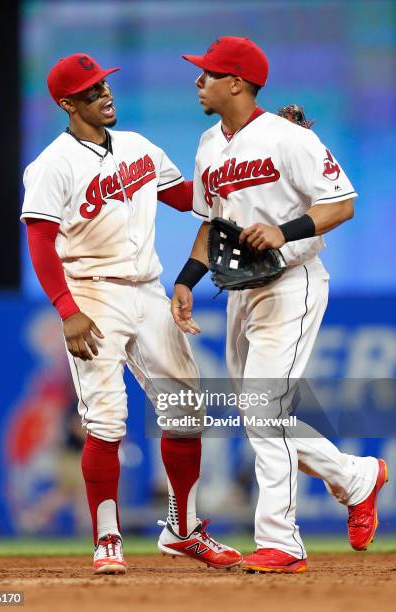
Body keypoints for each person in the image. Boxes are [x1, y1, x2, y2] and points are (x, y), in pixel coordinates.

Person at [171, 36, 387, 574]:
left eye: (208, 74)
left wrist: (284, 230)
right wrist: (186, 279)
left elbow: (343, 204)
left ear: (237, 83)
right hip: (239, 293)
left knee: (264, 410)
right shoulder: (207, 144)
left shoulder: (287, 138)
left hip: (292, 283)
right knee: (258, 414)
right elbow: (211, 223)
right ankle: (356, 477)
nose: (199, 81)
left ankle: (281, 542)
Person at [21, 53, 243, 574]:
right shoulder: (52, 165)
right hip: (92, 293)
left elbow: (186, 196)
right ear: (67, 103)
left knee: (187, 411)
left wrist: (246, 170)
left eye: (104, 83)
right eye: (91, 89)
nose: (104, 93)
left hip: (148, 289)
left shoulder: (139, 147)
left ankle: (182, 530)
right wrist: (67, 309)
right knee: (107, 420)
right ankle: (107, 539)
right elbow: (39, 241)